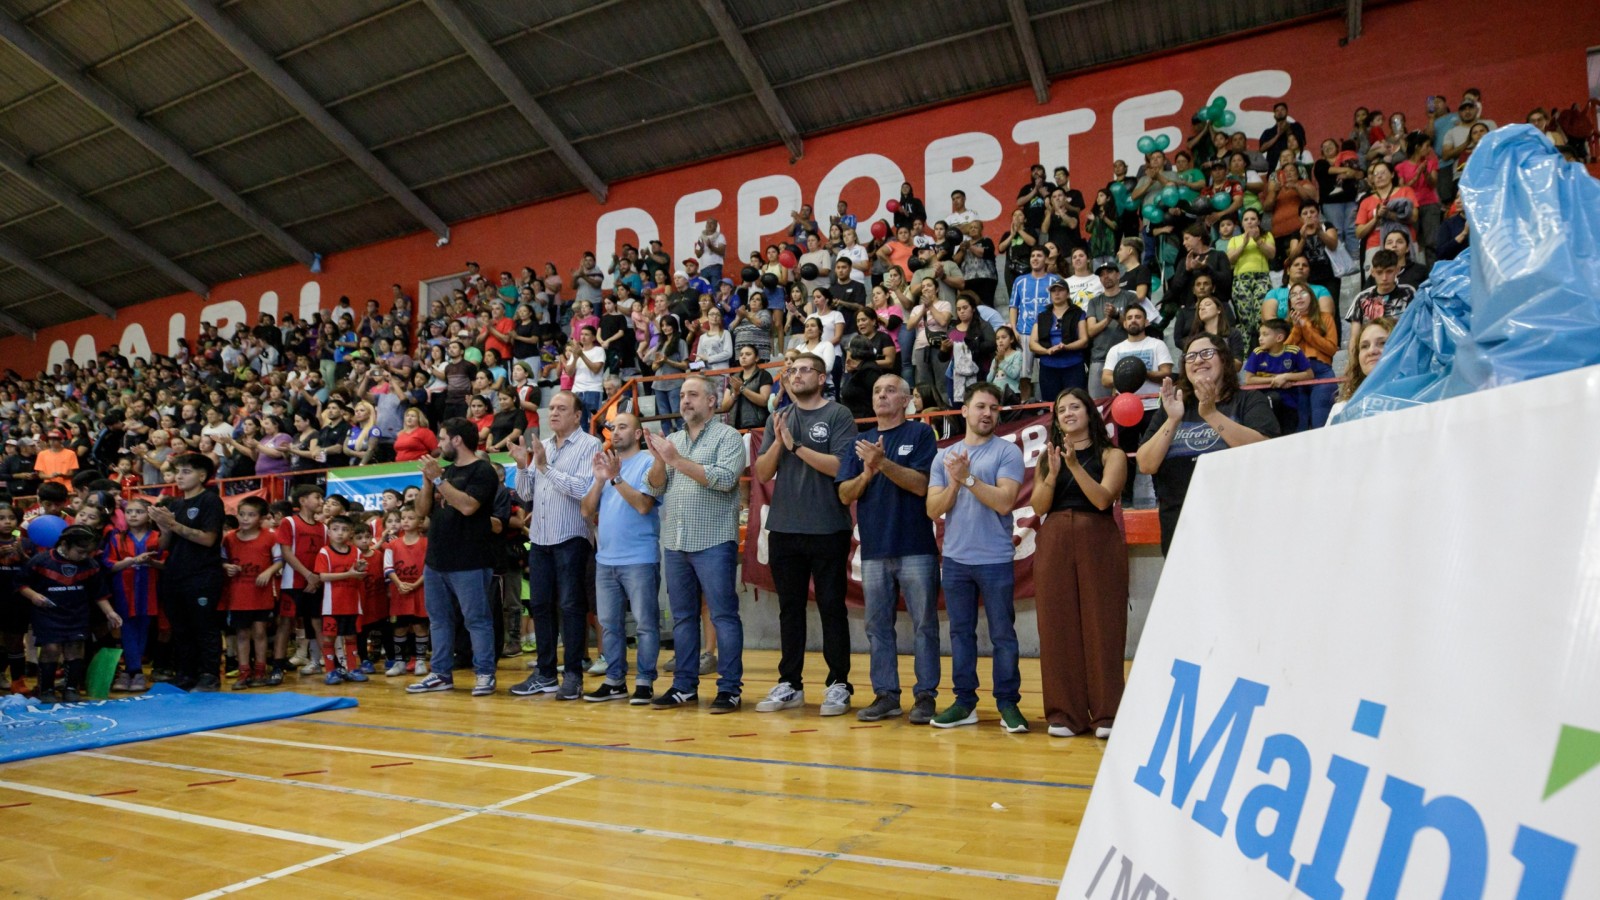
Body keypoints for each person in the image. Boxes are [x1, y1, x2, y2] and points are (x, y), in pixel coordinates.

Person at [754, 353, 858, 717]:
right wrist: (781, 442)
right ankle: (791, 683)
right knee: (789, 610)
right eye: (792, 370)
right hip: (785, 528)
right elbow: (763, 472)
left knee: (831, 607)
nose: (797, 375)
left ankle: (839, 684)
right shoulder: (777, 418)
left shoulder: (838, 415)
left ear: (821, 376)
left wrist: (797, 446)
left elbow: (840, 466)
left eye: (804, 370)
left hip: (828, 526)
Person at [836, 376, 941, 724]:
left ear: (907, 399)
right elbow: (845, 494)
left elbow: (921, 485)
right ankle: (886, 695)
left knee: (924, 624)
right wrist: (867, 473)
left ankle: (925, 696)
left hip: (916, 546)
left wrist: (882, 464)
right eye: (877, 390)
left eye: (890, 390)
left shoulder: (921, 434)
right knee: (877, 625)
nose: (882, 395)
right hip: (875, 548)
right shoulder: (859, 442)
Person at [925, 383, 1027, 732]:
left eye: (994, 408)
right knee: (961, 634)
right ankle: (965, 701)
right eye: (981, 406)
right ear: (964, 410)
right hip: (955, 559)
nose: (987, 413)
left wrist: (966, 478)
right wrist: (955, 483)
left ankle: (1007, 703)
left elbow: (1004, 501)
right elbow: (933, 508)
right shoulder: (944, 456)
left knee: (1002, 634)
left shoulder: (1007, 452)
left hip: (995, 558)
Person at [644, 375, 747, 712]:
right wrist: (660, 460)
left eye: (693, 395)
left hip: (714, 540)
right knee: (683, 619)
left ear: (712, 402)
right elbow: (656, 488)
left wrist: (673, 459)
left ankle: (730, 689)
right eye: (682, 395)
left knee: (723, 616)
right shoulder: (672, 439)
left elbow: (725, 479)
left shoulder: (729, 437)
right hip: (675, 540)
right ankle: (684, 686)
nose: (685, 401)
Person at [1030, 388, 1128, 739]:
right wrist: (1055, 473)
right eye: (1061, 409)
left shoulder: (1111, 454)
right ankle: (1064, 714)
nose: (1068, 413)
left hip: (1097, 537)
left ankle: (1107, 714)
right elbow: (1039, 507)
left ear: (1089, 413)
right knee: (1057, 625)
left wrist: (1073, 465)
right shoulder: (1048, 457)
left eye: (1075, 407)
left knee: (1104, 624)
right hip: (1054, 538)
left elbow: (1103, 500)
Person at [1137, 335, 1279, 555]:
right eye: (1191, 356)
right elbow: (1146, 464)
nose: (1198, 360)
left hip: (1238, 520)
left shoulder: (1248, 401)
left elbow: (1264, 450)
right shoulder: (1173, 407)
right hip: (1181, 525)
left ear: (1224, 359)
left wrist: (1211, 414)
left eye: (1207, 353)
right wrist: (1172, 419)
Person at [507, 391, 601, 701]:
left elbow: (583, 490)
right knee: (541, 605)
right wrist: (523, 466)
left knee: (572, 606)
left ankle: (573, 674)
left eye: (562, 408)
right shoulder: (543, 446)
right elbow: (525, 493)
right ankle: (545, 673)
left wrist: (546, 468)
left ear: (578, 416)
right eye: (553, 408)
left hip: (572, 536)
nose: (554, 413)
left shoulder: (591, 445)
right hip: (541, 539)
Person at [408, 417, 501, 697]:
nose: (439, 444)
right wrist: (428, 482)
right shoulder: (443, 472)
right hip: (437, 559)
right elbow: (422, 512)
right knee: (439, 619)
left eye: (443, 438)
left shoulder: (482, 470)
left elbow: (469, 506)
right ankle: (440, 674)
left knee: (477, 619)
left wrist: (438, 479)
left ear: (457, 440)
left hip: (470, 560)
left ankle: (485, 674)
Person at [578, 413, 660, 704]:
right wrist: (601, 480)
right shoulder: (604, 464)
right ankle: (614, 680)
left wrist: (616, 478)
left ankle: (645, 681)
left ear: (638, 434)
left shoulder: (649, 462)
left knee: (645, 624)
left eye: (623, 426)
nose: (615, 431)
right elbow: (587, 511)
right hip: (606, 558)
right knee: (610, 624)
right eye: (612, 427)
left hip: (639, 557)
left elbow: (643, 505)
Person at [149, 453, 226, 691]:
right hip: (174, 573)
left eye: (186, 471)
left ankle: (209, 676)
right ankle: (185, 674)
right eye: (177, 471)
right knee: (180, 628)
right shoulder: (174, 504)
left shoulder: (210, 501)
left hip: (202, 574)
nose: (179, 476)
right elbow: (163, 546)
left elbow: (208, 539)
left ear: (202, 476)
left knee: (204, 626)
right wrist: (164, 527)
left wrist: (173, 525)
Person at [20, 525, 120, 704]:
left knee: (75, 648)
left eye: (89, 552)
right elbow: (21, 584)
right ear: (65, 545)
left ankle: (71, 687)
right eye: (81, 551)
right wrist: (33, 596)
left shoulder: (90, 565)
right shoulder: (41, 561)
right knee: (51, 648)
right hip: (48, 614)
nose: (85, 556)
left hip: (77, 613)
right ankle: (46, 689)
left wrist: (110, 613)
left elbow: (99, 594)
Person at [222, 496, 282, 689]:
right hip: (238, 595)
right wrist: (227, 567)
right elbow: (222, 561)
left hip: (261, 594)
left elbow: (280, 560)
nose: (245, 519)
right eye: (242, 514)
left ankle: (260, 671)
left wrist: (269, 571)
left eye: (251, 515)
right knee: (241, 634)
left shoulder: (270, 537)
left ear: (261, 517)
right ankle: (243, 672)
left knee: (259, 632)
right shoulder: (229, 538)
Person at [105, 498, 163, 692]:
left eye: (138, 511)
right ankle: (134, 671)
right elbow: (110, 565)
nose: (133, 515)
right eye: (129, 512)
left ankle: (134, 670)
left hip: (149, 588)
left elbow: (167, 563)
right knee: (127, 627)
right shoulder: (116, 537)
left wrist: (150, 562)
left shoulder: (158, 536)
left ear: (148, 515)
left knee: (144, 627)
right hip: (124, 588)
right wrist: (132, 561)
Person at [313, 514, 369, 686]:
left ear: (350, 533)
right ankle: (330, 671)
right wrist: (349, 574)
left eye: (344, 530)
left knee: (351, 637)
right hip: (332, 605)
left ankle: (352, 669)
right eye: (336, 529)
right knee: (329, 638)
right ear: (329, 532)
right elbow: (322, 576)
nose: (340, 533)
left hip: (352, 603)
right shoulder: (325, 552)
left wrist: (360, 570)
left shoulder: (357, 551)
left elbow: (360, 577)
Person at [1086, 258, 1148, 399]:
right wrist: (1108, 320)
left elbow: (1134, 325)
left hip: (1126, 356)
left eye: (1109, 272)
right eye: (1102, 274)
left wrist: (1116, 315)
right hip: (1099, 358)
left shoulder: (1130, 297)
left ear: (1118, 275)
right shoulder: (1094, 302)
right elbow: (1091, 331)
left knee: (1128, 401)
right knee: (1098, 406)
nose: (1105, 276)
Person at [1282, 283, 1341, 430]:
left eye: (1303, 292)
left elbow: (1331, 349)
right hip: (1295, 376)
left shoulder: (1325, 318)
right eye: (1293, 294)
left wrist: (1305, 327)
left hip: (1321, 373)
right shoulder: (1285, 324)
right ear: (1290, 302)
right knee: (1300, 427)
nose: (1298, 297)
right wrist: (1296, 328)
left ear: (1311, 297)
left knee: (1320, 425)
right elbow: (1282, 354)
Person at [382, 505, 431, 678]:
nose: (406, 521)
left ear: (420, 521)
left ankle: (419, 661)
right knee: (400, 628)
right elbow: (388, 568)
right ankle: (400, 662)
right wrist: (399, 584)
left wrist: (416, 584)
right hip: (399, 592)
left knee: (419, 626)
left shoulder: (426, 543)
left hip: (420, 590)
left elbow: (429, 567)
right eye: (403, 518)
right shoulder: (392, 544)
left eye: (411, 518)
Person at [1244, 319, 1315, 435]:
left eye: (1265, 334)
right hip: (1265, 401)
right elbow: (1249, 379)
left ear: (1279, 338)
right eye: (1260, 334)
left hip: (1290, 403)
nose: (1260, 338)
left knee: (1288, 435)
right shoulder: (1257, 353)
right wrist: (1275, 380)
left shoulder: (1294, 351)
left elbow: (1309, 374)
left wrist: (1287, 377)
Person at [1345, 249, 1416, 355]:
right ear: (1373, 272)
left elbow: (1417, 326)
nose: (1384, 278)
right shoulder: (1362, 298)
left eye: (1389, 271)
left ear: (1397, 270)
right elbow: (1354, 337)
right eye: (1379, 272)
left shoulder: (1409, 293)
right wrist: (1352, 363)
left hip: (1402, 350)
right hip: (1371, 352)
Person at [1029, 280, 1089, 403]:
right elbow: (1032, 343)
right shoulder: (1042, 316)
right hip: (1048, 366)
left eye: (1060, 290)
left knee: (1076, 401)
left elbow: (1084, 340)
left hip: (1073, 365)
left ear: (1067, 293)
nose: (1057, 293)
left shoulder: (1078, 313)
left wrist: (1066, 347)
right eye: (1053, 291)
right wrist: (1047, 350)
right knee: (1050, 404)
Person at [1225, 208, 1276, 349]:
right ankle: (1246, 354)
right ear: (1242, 223)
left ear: (1258, 221)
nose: (1250, 222)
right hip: (1241, 279)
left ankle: (1266, 350)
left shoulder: (1266, 236)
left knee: (1262, 316)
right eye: (1246, 219)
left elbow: (1271, 254)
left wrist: (1258, 240)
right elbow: (1230, 259)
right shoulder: (1235, 239)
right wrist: (1244, 243)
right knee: (1245, 318)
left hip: (1262, 278)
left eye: (1253, 219)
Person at [1330, 316, 1396, 420]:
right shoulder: (1340, 410)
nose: (1371, 351)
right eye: (1364, 346)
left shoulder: (1419, 398)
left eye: (1383, 343)